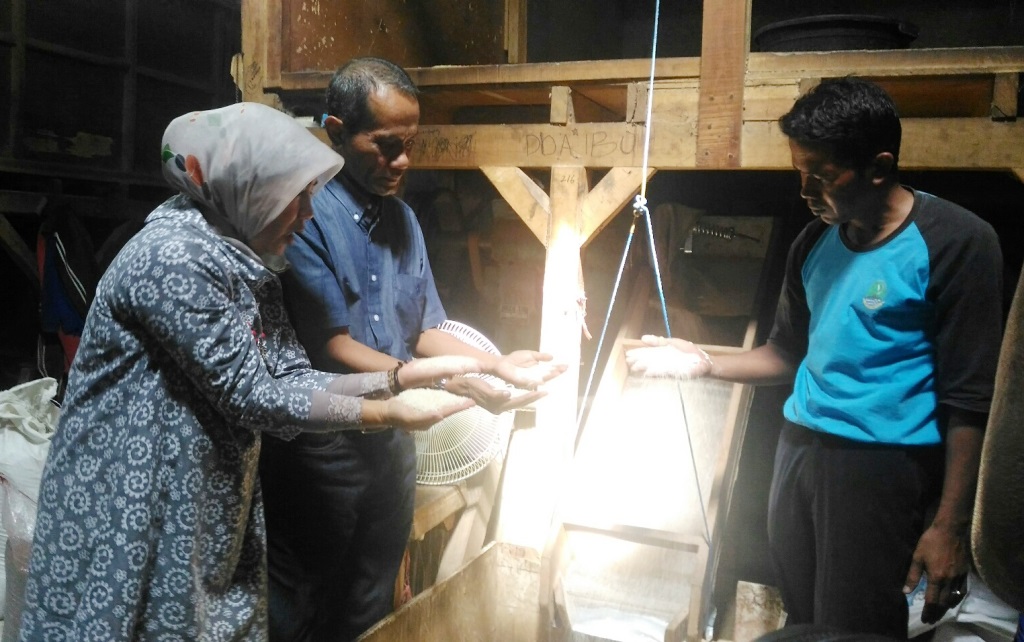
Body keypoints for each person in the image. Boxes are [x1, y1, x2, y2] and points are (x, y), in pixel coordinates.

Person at [17, 102, 506, 641]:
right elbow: (249, 394)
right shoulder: (173, 257)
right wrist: (387, 411)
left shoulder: (247, 262)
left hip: (198, 497)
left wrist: (403, 379)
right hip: (132, 496)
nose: (307, 216)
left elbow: (288, 374)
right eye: (294, 198)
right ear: (246, 187)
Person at [626, 78, 1003, 639]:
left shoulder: (957, 243)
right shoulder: (813, 244)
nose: (805, 190)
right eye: (799, 172)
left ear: (878, 167)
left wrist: (950, 524)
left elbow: (970, 399)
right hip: (798, 451)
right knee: (804, 619)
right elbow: (785, 353)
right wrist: (701, 360)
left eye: (822, 176)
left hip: (878, 468)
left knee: (856, 628)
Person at [259, 57, 565, 641]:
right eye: (386, 145)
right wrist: (440, 377)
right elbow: (335, 346)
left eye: (411, 144)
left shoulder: (403, 219)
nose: (402, 161)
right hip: (323, 454)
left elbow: (425, 327)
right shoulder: (306, 216)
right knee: (300, 604)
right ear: (335, 132)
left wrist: (492, 363)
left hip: (392, 451)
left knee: (372, 604)